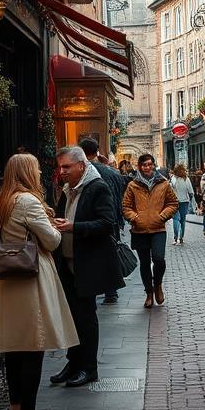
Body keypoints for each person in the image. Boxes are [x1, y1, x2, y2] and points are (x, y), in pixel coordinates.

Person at [0, 154, 77, 410]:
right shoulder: (28, 201)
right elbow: (51, 241)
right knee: (32, 347)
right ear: (28, 173)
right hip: (31, 278)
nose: (40, 173)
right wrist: (55, 228)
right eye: (37, 170)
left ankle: (15, 409)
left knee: (15, 348)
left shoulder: (2, 202)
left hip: (7, 281)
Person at [51, 146, 124, 387]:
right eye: (60, 167)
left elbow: (107, 223)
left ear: (81, 165)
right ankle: (73, 363)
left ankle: (89, 368)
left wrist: (74, 227)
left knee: (86, 317)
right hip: (69, 262)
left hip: (88, 263)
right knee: (71, 316)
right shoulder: (68, 188)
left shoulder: (97, 187)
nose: (62, 171)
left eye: (66, 167)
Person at [122, 153, 178, 308]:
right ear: (139, 167)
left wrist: (162, 216)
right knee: (145, 263)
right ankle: (149, 293)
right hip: (139, 230)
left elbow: (173, 203)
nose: (147, 167)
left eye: (149, 164)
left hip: (158, 228)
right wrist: (135, 218)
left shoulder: (163, 184)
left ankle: (158, 284)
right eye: (144, 165)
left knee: (159, 259)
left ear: (153, 165)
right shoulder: (133, 185)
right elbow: (126, 206)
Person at [78, 137, 125, 305]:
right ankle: (111, 291)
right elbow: (121, 190)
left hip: (92, 219)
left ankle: (93, 288)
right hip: (113, 218)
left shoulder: (84, 172)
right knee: (110, 252)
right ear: (97, 151)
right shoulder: (111, 172)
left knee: (92, 254)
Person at [169, 164, 195, 245]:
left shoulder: (173, 178)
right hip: (185, 202)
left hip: (175, 201)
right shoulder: (186, 179)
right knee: (183, 220)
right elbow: (190, 191)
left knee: (176, 219)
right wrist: (190, 198)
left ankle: (175, 237)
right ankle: (181, 238)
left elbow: (170, 188)